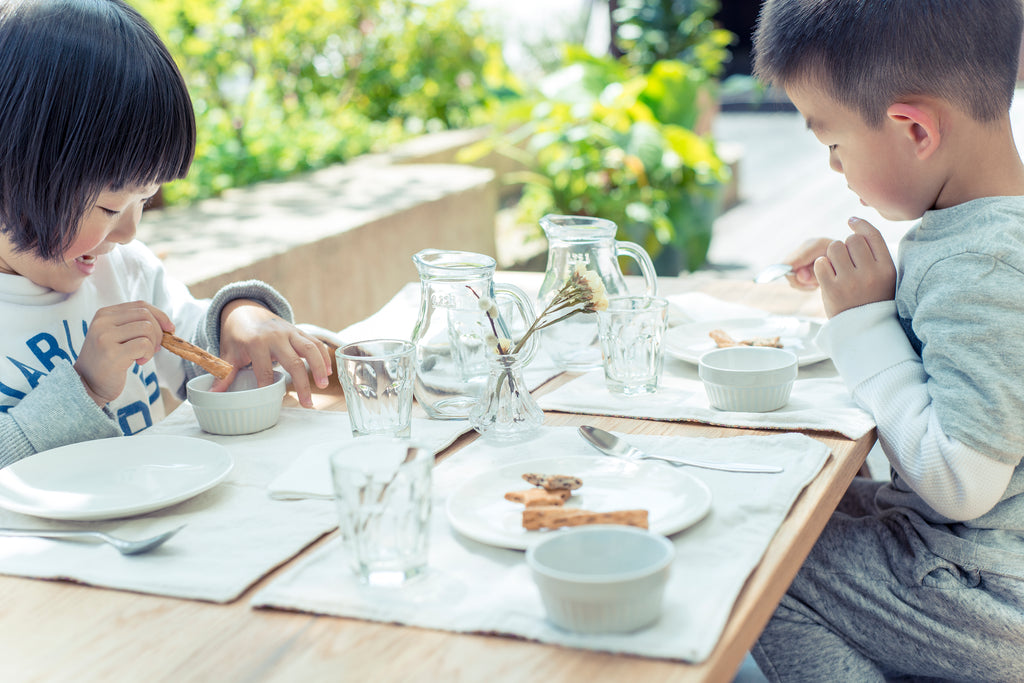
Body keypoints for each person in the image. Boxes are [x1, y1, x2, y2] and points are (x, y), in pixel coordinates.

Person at [750, 0, 1024, 680]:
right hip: (979, 564)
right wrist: (878, 291)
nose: (835, 169)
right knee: (800, 500)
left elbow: (961, 481)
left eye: (834, 145)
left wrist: (864, 324)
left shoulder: (983, 268)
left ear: (914, 127)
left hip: (989, 591)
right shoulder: (981, 236)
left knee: (762, 558)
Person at [0, 0, 332, 465]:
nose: (130, 231)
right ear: (17, 174)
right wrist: (87, 387)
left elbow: (199, 351)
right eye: (111, 206)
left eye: (144, 200)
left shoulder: (123, 271)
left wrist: (237, 318)